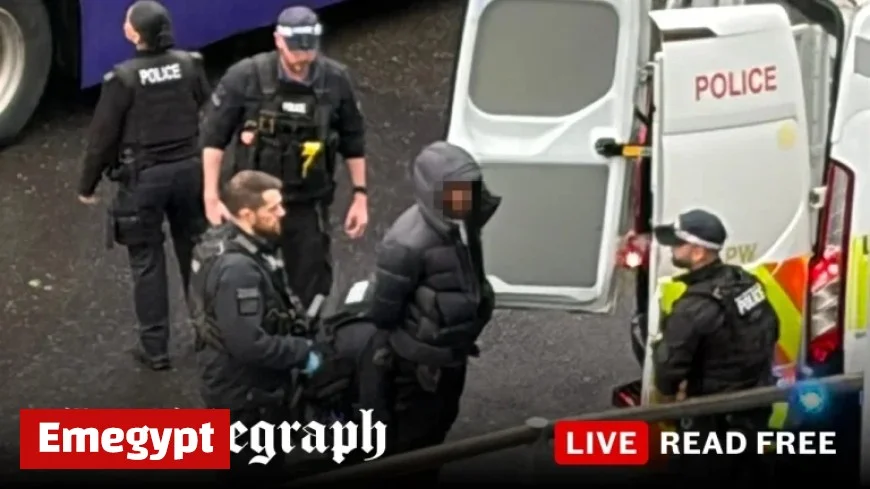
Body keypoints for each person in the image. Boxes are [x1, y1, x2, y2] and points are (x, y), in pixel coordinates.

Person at [199, 5, 368, 309]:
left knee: (311, 286)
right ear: (278, 40)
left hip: (306, 203)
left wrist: (360, 194)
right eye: (295, 51)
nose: (303, 59)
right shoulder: (245, 77)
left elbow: (353, 140)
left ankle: (306, 333)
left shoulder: (335, 80)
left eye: (309, 50)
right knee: (246, 281)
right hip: (253, 206)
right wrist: (211, 196)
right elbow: (213, 139)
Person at [77, 0, 211, 370]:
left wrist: (87, 185)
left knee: (146, 261)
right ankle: (206, 334)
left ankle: (155, 349)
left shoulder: (122, 79)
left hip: (143, 181)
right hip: (189, 173)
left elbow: (102, 139)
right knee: (195, 252)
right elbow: (206, 105)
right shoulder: (191, 64)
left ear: (135, 34)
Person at [358, 141, 501, 484]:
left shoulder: (461, 222)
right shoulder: (405, 243)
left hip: (450, 355)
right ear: (433, 191)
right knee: (414, 444)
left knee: (438, 427)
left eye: (468, 189)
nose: (464, 198)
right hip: (421, 364)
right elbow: (383, 310)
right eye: (455, 191)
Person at [187, 170, 324, 479]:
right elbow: (248, 343)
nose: (282, 213)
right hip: (247, 396)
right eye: (272, 208)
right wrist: (301, 351)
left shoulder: (222, 242)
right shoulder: (239, 272)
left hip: (231, 382)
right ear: (247, 214)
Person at [651, 208, 779, 482]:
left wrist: (670, 401)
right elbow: (772, 329)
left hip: (711, 419)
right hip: (755, 405)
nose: (672, 249)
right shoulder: (745, 281)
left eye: (678, 244)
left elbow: (667, 371)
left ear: (698, 253)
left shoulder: (692, 308)